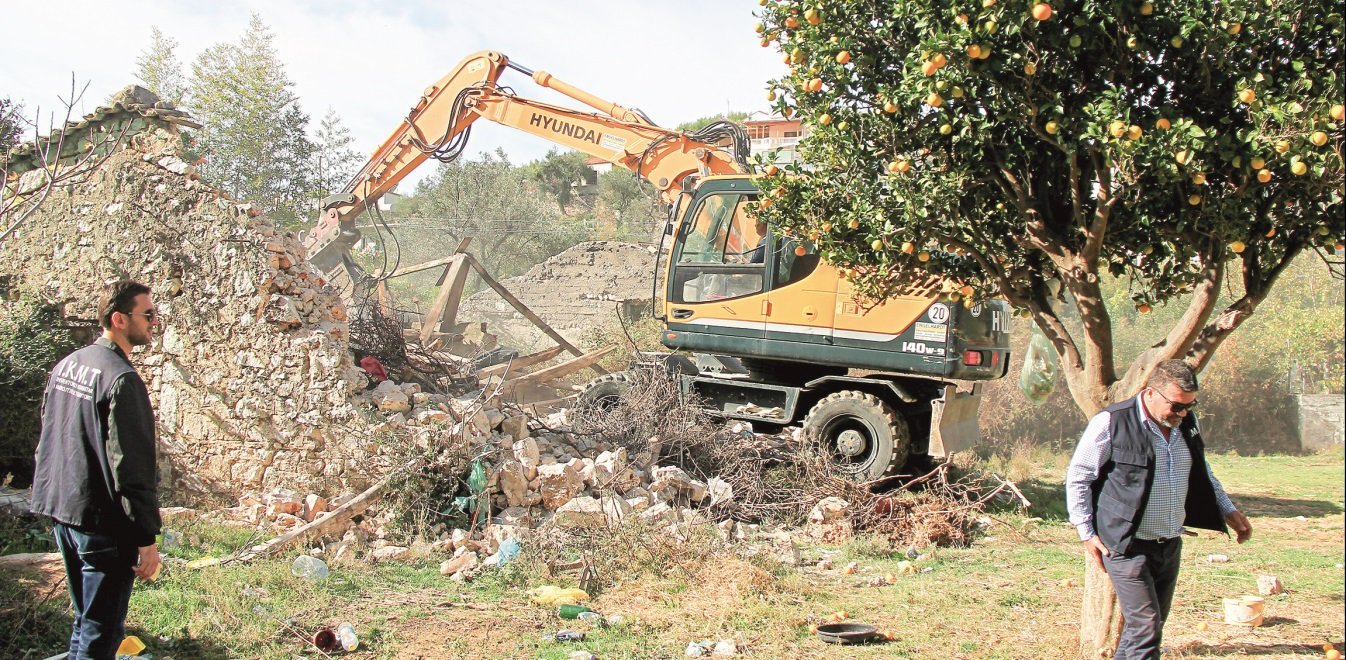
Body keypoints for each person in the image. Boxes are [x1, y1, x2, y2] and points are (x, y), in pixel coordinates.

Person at [1065, 359, 1252, 660]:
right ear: (1151, 393)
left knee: (1144, 629)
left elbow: (1201, 471)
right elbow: (1079, 477)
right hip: (1125, 544)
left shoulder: (1185, 424)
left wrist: (1227, 510)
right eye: (1177, 406)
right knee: (1146, 628)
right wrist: (1086, 533)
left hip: (1168, 544)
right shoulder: (1112, 422)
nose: (1183, 413)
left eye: (1190, 405)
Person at [31, 280, 163, 659]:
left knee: (86, 620)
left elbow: (50, 437)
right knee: (102, 633)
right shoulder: (121, 379)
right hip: (102, 526)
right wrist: (146, 537)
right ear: (120, 319)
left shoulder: (69, 364)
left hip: (65, 514)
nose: (154, 322)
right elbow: (132, 469)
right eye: (148, 315)